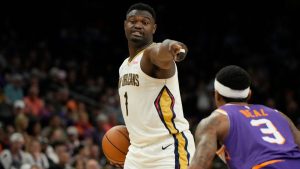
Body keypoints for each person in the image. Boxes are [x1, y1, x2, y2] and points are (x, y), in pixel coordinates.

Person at [117, 2, 195, 169]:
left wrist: (173, 47)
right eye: (132, 21)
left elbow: (163, 48)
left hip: (168, 149)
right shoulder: (124, 65)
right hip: (136, 152)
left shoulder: (151, 55)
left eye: (145, 22)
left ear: (153, 28)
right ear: (125, 25)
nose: (138, 25)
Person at [189, 65, 300, 169]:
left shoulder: (216, 120)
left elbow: (201, 163)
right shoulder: (278, 114)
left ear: (216, 95)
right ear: (249, 95)